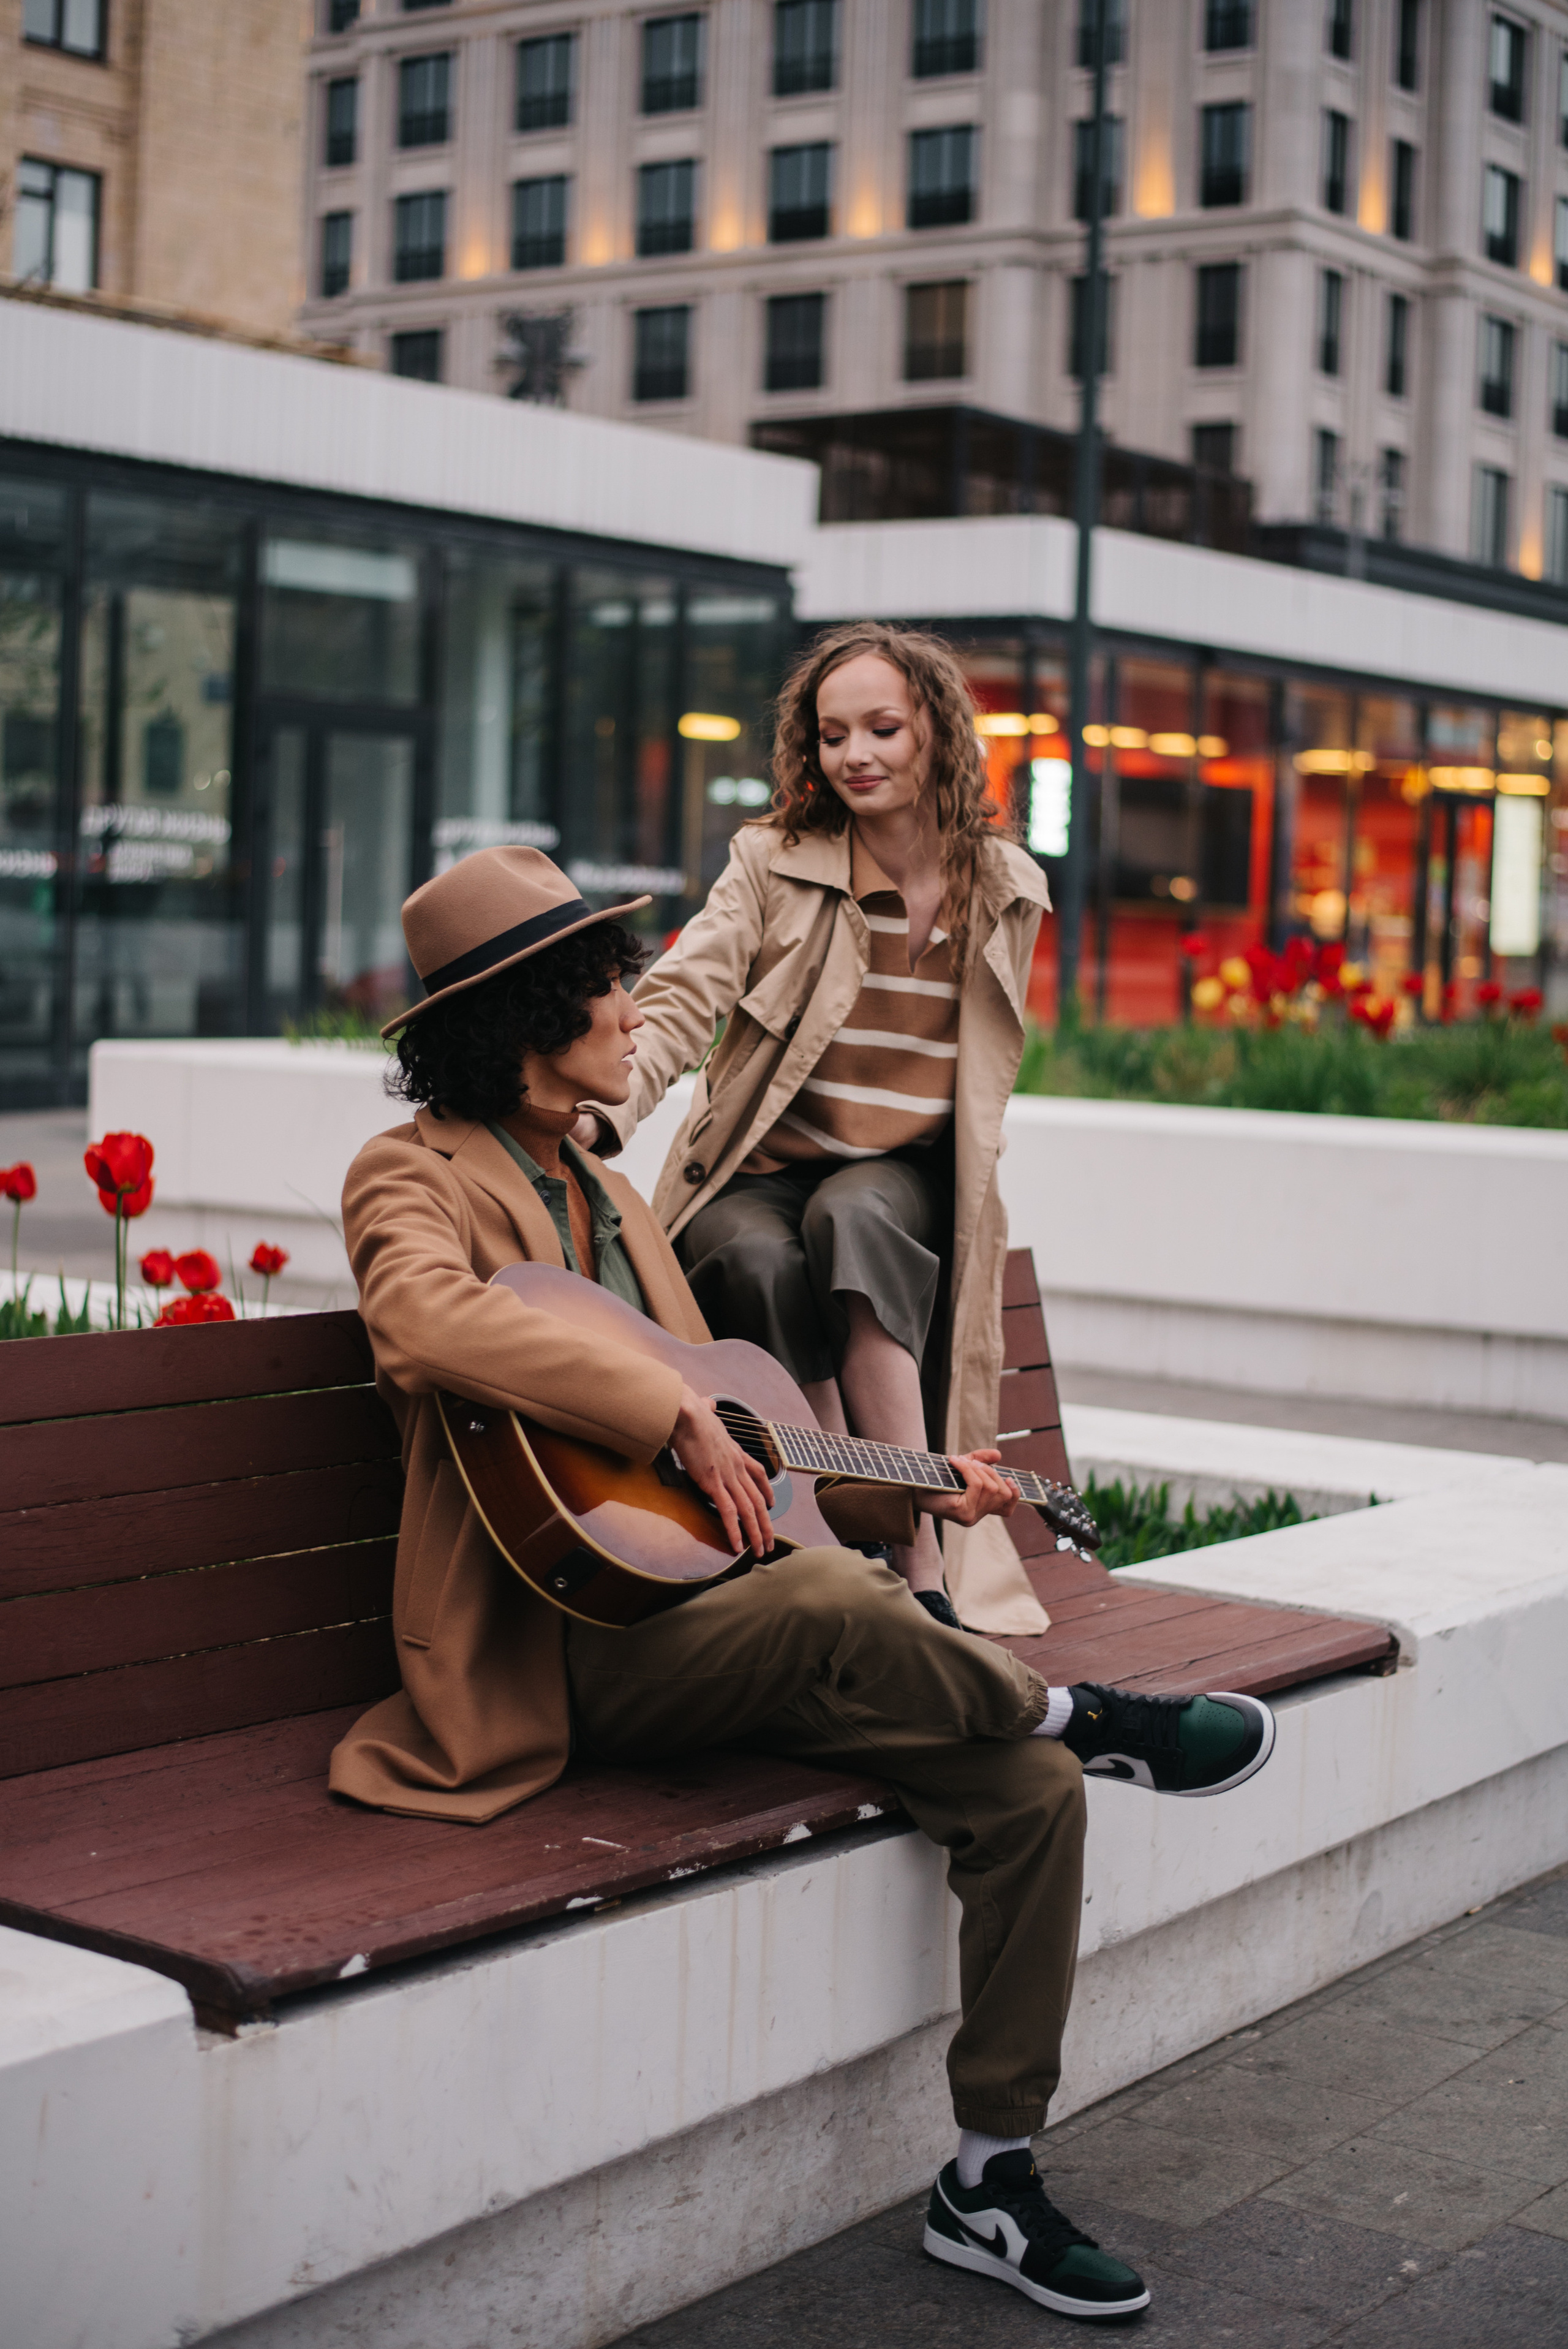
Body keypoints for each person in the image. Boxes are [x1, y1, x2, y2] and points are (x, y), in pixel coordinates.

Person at [332, 845, 1276, 2325]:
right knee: (846, 1610)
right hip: (560, 1658)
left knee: (1027, 1796)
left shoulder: (604, 1187)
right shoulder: (410, 1178)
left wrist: (906, 1483)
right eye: (602, 985)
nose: (631, 1004)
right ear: (524, 1019)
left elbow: (739, 1465)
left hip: (704, 1616)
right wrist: (664, 1411)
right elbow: (423, 1320)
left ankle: (988, 2177)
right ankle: (1071, 1705)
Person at [575, 624, 1051, 1639]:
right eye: (834, 735)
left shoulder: (1005, 889)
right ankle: (844, 1543)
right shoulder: (771, 864)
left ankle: (918, 1562)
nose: (856, 756)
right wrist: (601, 1111)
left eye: (883, 728)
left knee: (858, 1210)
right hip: (761, 1170)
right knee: (746, 1246)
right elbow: (681, 997)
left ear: (938, 732)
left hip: (903, 1177)